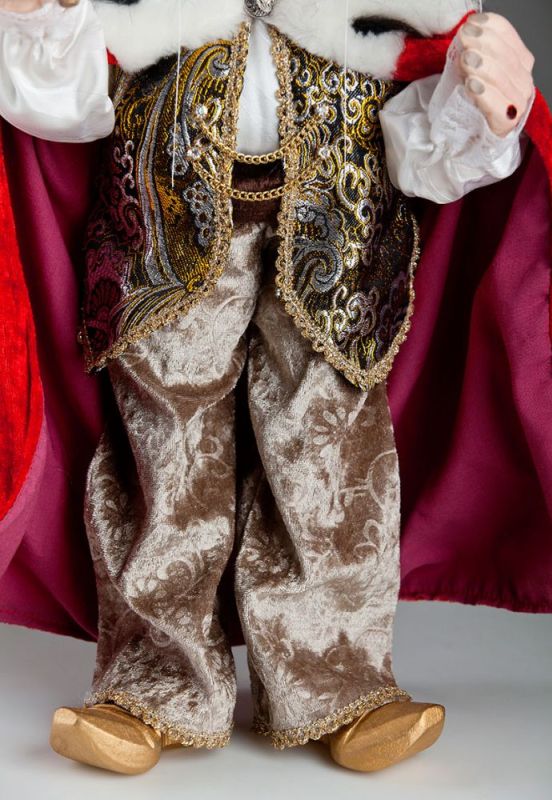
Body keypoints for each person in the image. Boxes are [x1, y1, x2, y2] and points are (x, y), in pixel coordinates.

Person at [0, 0, 543, 776]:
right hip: (164, 226)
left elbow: (426, 128)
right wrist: (35, 18)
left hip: (339, 227)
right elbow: (71, 92)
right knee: (165, 444)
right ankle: (154, 681)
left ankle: (338, 680)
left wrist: (481, 97)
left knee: (329, 442)